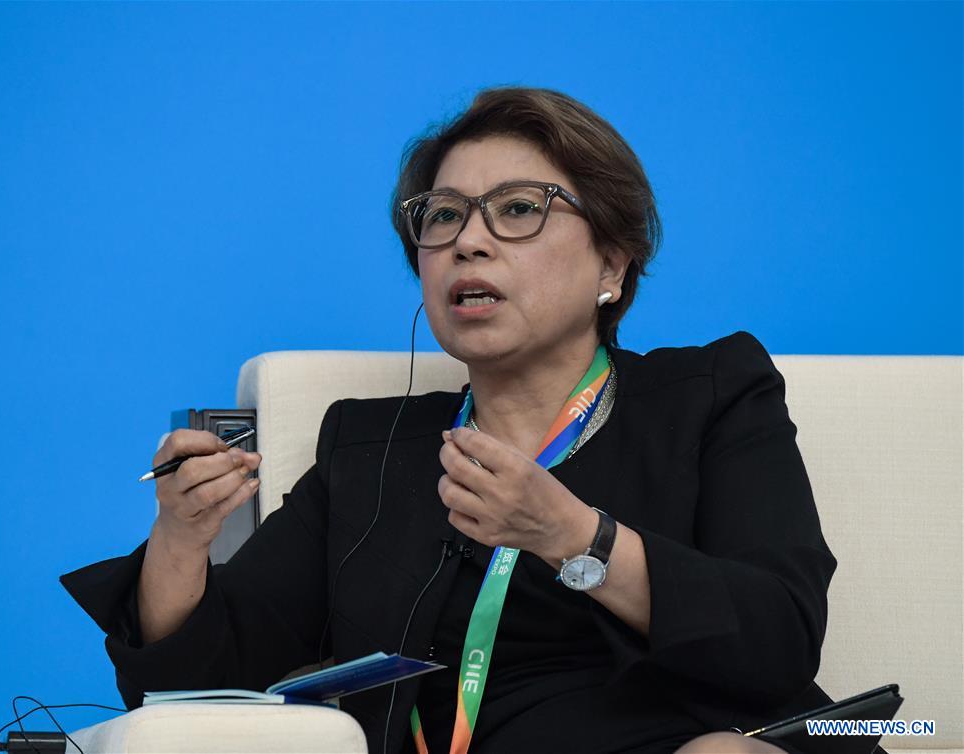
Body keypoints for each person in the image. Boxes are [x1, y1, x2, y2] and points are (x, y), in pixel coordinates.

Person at [62, 87, 841, 754]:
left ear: (611, 263)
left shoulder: (708, 396)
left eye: (518, 210)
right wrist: (180, 537)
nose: (467, 241)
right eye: (442, 217)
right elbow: (190, 688)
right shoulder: (369, 451)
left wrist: (574, 537)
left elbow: (778, 639)